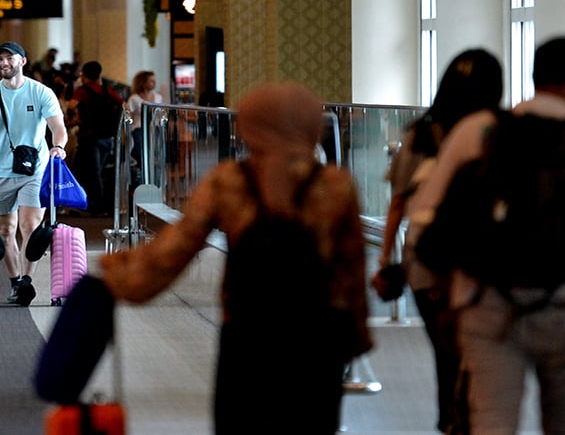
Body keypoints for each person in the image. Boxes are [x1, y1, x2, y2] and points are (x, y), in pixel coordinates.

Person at [100, 82, 371, 433]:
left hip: (248, 333)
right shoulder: (335, 185)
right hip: (317, 338)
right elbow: (351, 267)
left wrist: (117, 277)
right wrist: (357, 335)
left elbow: (173, 252)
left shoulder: (229, 183)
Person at [407, 36, 565, 433]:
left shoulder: (478, 131)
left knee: (492, 424)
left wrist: (446, 298)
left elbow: (429, 217)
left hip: (486, 306)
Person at [375, 48, 503, 433]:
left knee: (447, 354)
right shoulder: (501, 132)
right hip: (485, 260)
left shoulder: (421, 133)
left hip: (425, 260)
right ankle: (470, 416)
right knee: (481, 354)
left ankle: (452, 418)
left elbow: (398, 203)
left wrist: (385, 261)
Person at [0, 41, 69, 306]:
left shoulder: (41, 93)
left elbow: (58, 126)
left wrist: (58, 146)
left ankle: (26, 281)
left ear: (23, 61)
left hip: (34, 168)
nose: (4, 63)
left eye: (9, 58)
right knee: (5, 229)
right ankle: (15, 282)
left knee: (29, 225)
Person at [70, 61, 124, 216]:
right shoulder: (106, 91)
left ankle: (95, 206)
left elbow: (72, 106)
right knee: (96, 171)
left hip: (89, 137)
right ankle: (93, 204)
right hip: (107, 137)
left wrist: (74, 118)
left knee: (92, 173)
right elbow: (123, 104)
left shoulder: (82, 91)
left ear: (83, 74)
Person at [126, 70, 163, 173]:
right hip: (139, 129)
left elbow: (161, 114)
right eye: (151, 81)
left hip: (154, 129)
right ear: (143, 82)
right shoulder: (134, 98)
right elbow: (128, 115)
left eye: (154, 80)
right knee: (140, 154)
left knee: (154, 154)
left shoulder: (158, 97)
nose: (154, 83)